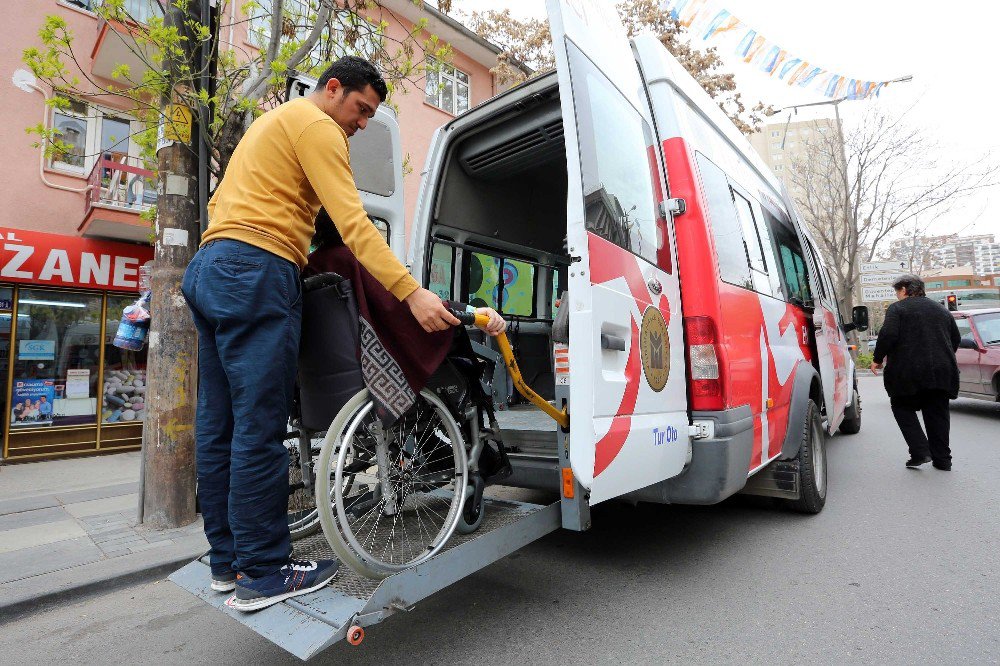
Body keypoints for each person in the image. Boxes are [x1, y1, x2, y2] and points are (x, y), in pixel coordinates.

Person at [181, 56, 460, 612]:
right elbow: (355, 226)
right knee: (258, 427)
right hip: (258, 269)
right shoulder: (318, 125)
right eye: (360, 110)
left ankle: (228, 561)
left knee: (220, 427)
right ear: (333, 89)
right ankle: (264, 571)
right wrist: (412, 292)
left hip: (209, 266)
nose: (361, 124)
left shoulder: (272, 124)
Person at [872, 274, 961, 470]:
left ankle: (920, 451)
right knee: (937, 413)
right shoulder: (941, 309)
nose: (897, 295)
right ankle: (943, 460)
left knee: (901, 406)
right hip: (941, 371)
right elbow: (955, 338)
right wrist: (941, 357)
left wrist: (878, 359)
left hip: (908, 371)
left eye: (897, 291)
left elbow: (888, 334)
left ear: (904, 289)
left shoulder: (898, 309)